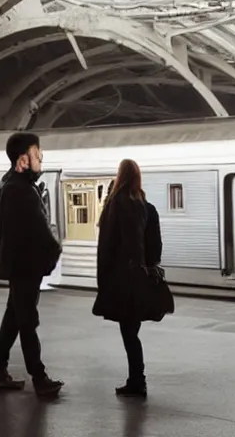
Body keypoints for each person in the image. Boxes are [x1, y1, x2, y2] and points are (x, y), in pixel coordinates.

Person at [0, 132, 64, 397]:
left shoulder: (12, 185)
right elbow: (38, 231)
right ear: (23, 160)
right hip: (25, 267)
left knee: (14, 319)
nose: (41, 157)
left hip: (21, 265)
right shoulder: (20, 190)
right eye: (37, 153)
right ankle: (39, 378)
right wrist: (55, 252)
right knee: (27, 322)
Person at [93, 159, 150, 398]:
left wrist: (106, 274)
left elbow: (113, 242)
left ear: (120, 176)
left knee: (129, 332)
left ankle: (137, 380)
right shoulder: (141, 202)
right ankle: (136, 378)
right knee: (131, 330)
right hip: (135, 274)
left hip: (123, 275)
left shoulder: (119, 202)